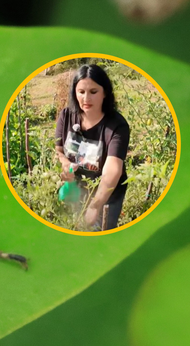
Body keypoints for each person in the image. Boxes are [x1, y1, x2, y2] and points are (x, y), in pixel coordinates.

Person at [55, 64, 130, 230]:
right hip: (75, 187)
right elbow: (58, 150)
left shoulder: (116, 126)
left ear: (105, 93)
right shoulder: (66, 116)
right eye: (81, 92)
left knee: (99, 231)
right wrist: (65, 164)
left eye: (93, 92)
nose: (86, 98)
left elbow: (112, 171)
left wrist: (95, 205)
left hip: (106, 192)